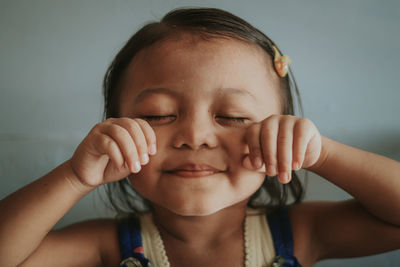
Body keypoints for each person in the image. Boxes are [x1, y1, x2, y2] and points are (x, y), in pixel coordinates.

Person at [0, 7, 399, 267]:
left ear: (282, 131)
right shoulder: (107, 246)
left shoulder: (300, 234)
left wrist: (320, 153)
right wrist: (75, 176)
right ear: (115, 128)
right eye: (159, 115)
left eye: (232, 116)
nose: (195, 136)